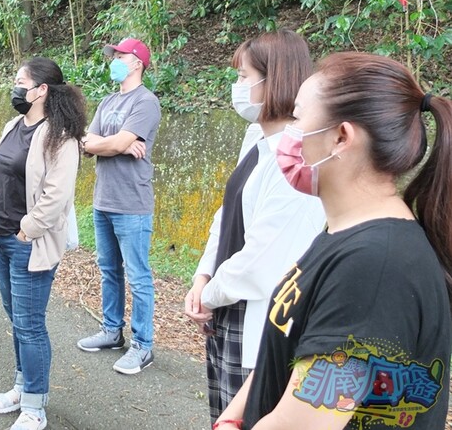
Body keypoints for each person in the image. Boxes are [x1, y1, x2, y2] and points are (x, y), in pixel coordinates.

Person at [215, 52, 452, 429]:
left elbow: (305, 423)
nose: (287, 134)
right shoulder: (341, 233)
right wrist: (232, 418)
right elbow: (289, 351)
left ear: (341, 137)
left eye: (296, 117)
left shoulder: (376, 267)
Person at [183, 30, 326, 422]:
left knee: (244, 414)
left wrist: (208, 295)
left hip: (258, 318)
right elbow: (226, 215)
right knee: (221, 414)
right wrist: (202, 276)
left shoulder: (295, 161)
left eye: (244, 77)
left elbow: (263, 259)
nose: (237, 87)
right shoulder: (256, 138)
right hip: (228, 306)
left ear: (275, 78)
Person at [0, 57, 87, 430]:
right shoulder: (13, 125)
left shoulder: (60, 136)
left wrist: (28, 229)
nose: (16, 86)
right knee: (17, 320)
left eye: (21, 80)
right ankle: (21, 386)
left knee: (29, 325)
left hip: (28, 243)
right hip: (1, 238)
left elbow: (57, 195)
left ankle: (35, 407)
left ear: (41, 90)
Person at [76, 38, 161, 375]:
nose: (114, 60)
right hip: (103, 199)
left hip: (132, 203)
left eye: (120, 55)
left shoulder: (146, 102)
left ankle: (143, 345)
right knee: (109, 270)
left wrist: (112, 144)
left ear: (137, 62)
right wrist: (120, 146)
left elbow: (110, 141)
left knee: (138, 276)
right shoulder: (109, 101)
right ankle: (112, 332)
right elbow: (84, 141)